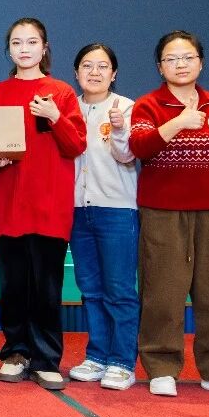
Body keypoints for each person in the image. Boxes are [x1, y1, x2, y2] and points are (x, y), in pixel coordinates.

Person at [130, 31, 209, 400]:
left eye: (187, 57)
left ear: (201, 62)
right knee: (162, 293)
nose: (180, 65)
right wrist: (178, 122)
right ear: (160, 66)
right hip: (163, 212)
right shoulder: (148, 105)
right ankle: (162, 367)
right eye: (171, 59)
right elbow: (140, 147)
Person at [0, 17, 86, 390]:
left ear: (44, 48)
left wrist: (55, 117)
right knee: (12, 285)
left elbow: (75, 145)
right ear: (8, 50)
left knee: (47, 286)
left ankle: (46, 358)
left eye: (31, 42)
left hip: (49, 205)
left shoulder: (61, 93)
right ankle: (15, 352)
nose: (24, 49)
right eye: (16, 42)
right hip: (9, 203)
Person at [66, 43, 139, 391]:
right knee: (90, 288)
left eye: (102, 66)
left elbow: (127, 156)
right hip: (77, 210)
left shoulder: (126, 107)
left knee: (120, 289)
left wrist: (120, 129)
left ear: (114, 73)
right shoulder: (67, 108)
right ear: (76, 72)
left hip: (117, 210)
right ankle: (96, 355)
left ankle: (122, 361)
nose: (94, 72)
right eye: (87, 65)